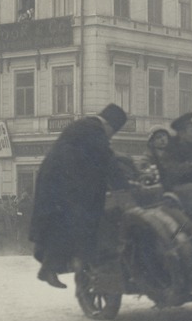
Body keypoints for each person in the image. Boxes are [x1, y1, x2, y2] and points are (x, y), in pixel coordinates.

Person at [28, 103, 129, 289]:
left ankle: (52, 268)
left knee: (63, 226)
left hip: (61, 184)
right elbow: (106, 159)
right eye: (112, 133)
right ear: (108, 125)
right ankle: (64, 267)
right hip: (62, 186)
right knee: (73, 224)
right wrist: (124, 185)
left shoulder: (85, 127)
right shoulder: (92, 129)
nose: (110, 137)